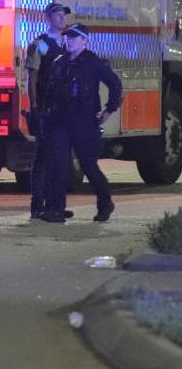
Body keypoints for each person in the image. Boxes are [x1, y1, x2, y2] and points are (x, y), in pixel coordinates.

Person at [41, 23, 123, 223]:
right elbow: (49, 90)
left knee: (88, 165)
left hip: (84, 121)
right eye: (68, 37)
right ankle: (56, 210)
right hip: (61, 121)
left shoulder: (93, 63)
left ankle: (105, 203)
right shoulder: (60, 62)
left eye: (75, 37)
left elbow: (115, 84)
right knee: (58, 165)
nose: (70, 40)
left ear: (85, 41)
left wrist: (109, 109)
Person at [24, 2, 73, 220]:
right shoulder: (41, 44)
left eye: (64, 15)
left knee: (59, 157)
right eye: (58, 15)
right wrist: (34, 107)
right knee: (43, 158)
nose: (62, 19)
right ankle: (38, 205)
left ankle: (55, 204)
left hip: (63, 108)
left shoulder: (67, 43)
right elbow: (32, 77)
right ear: (48, 19)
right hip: (45, 107)